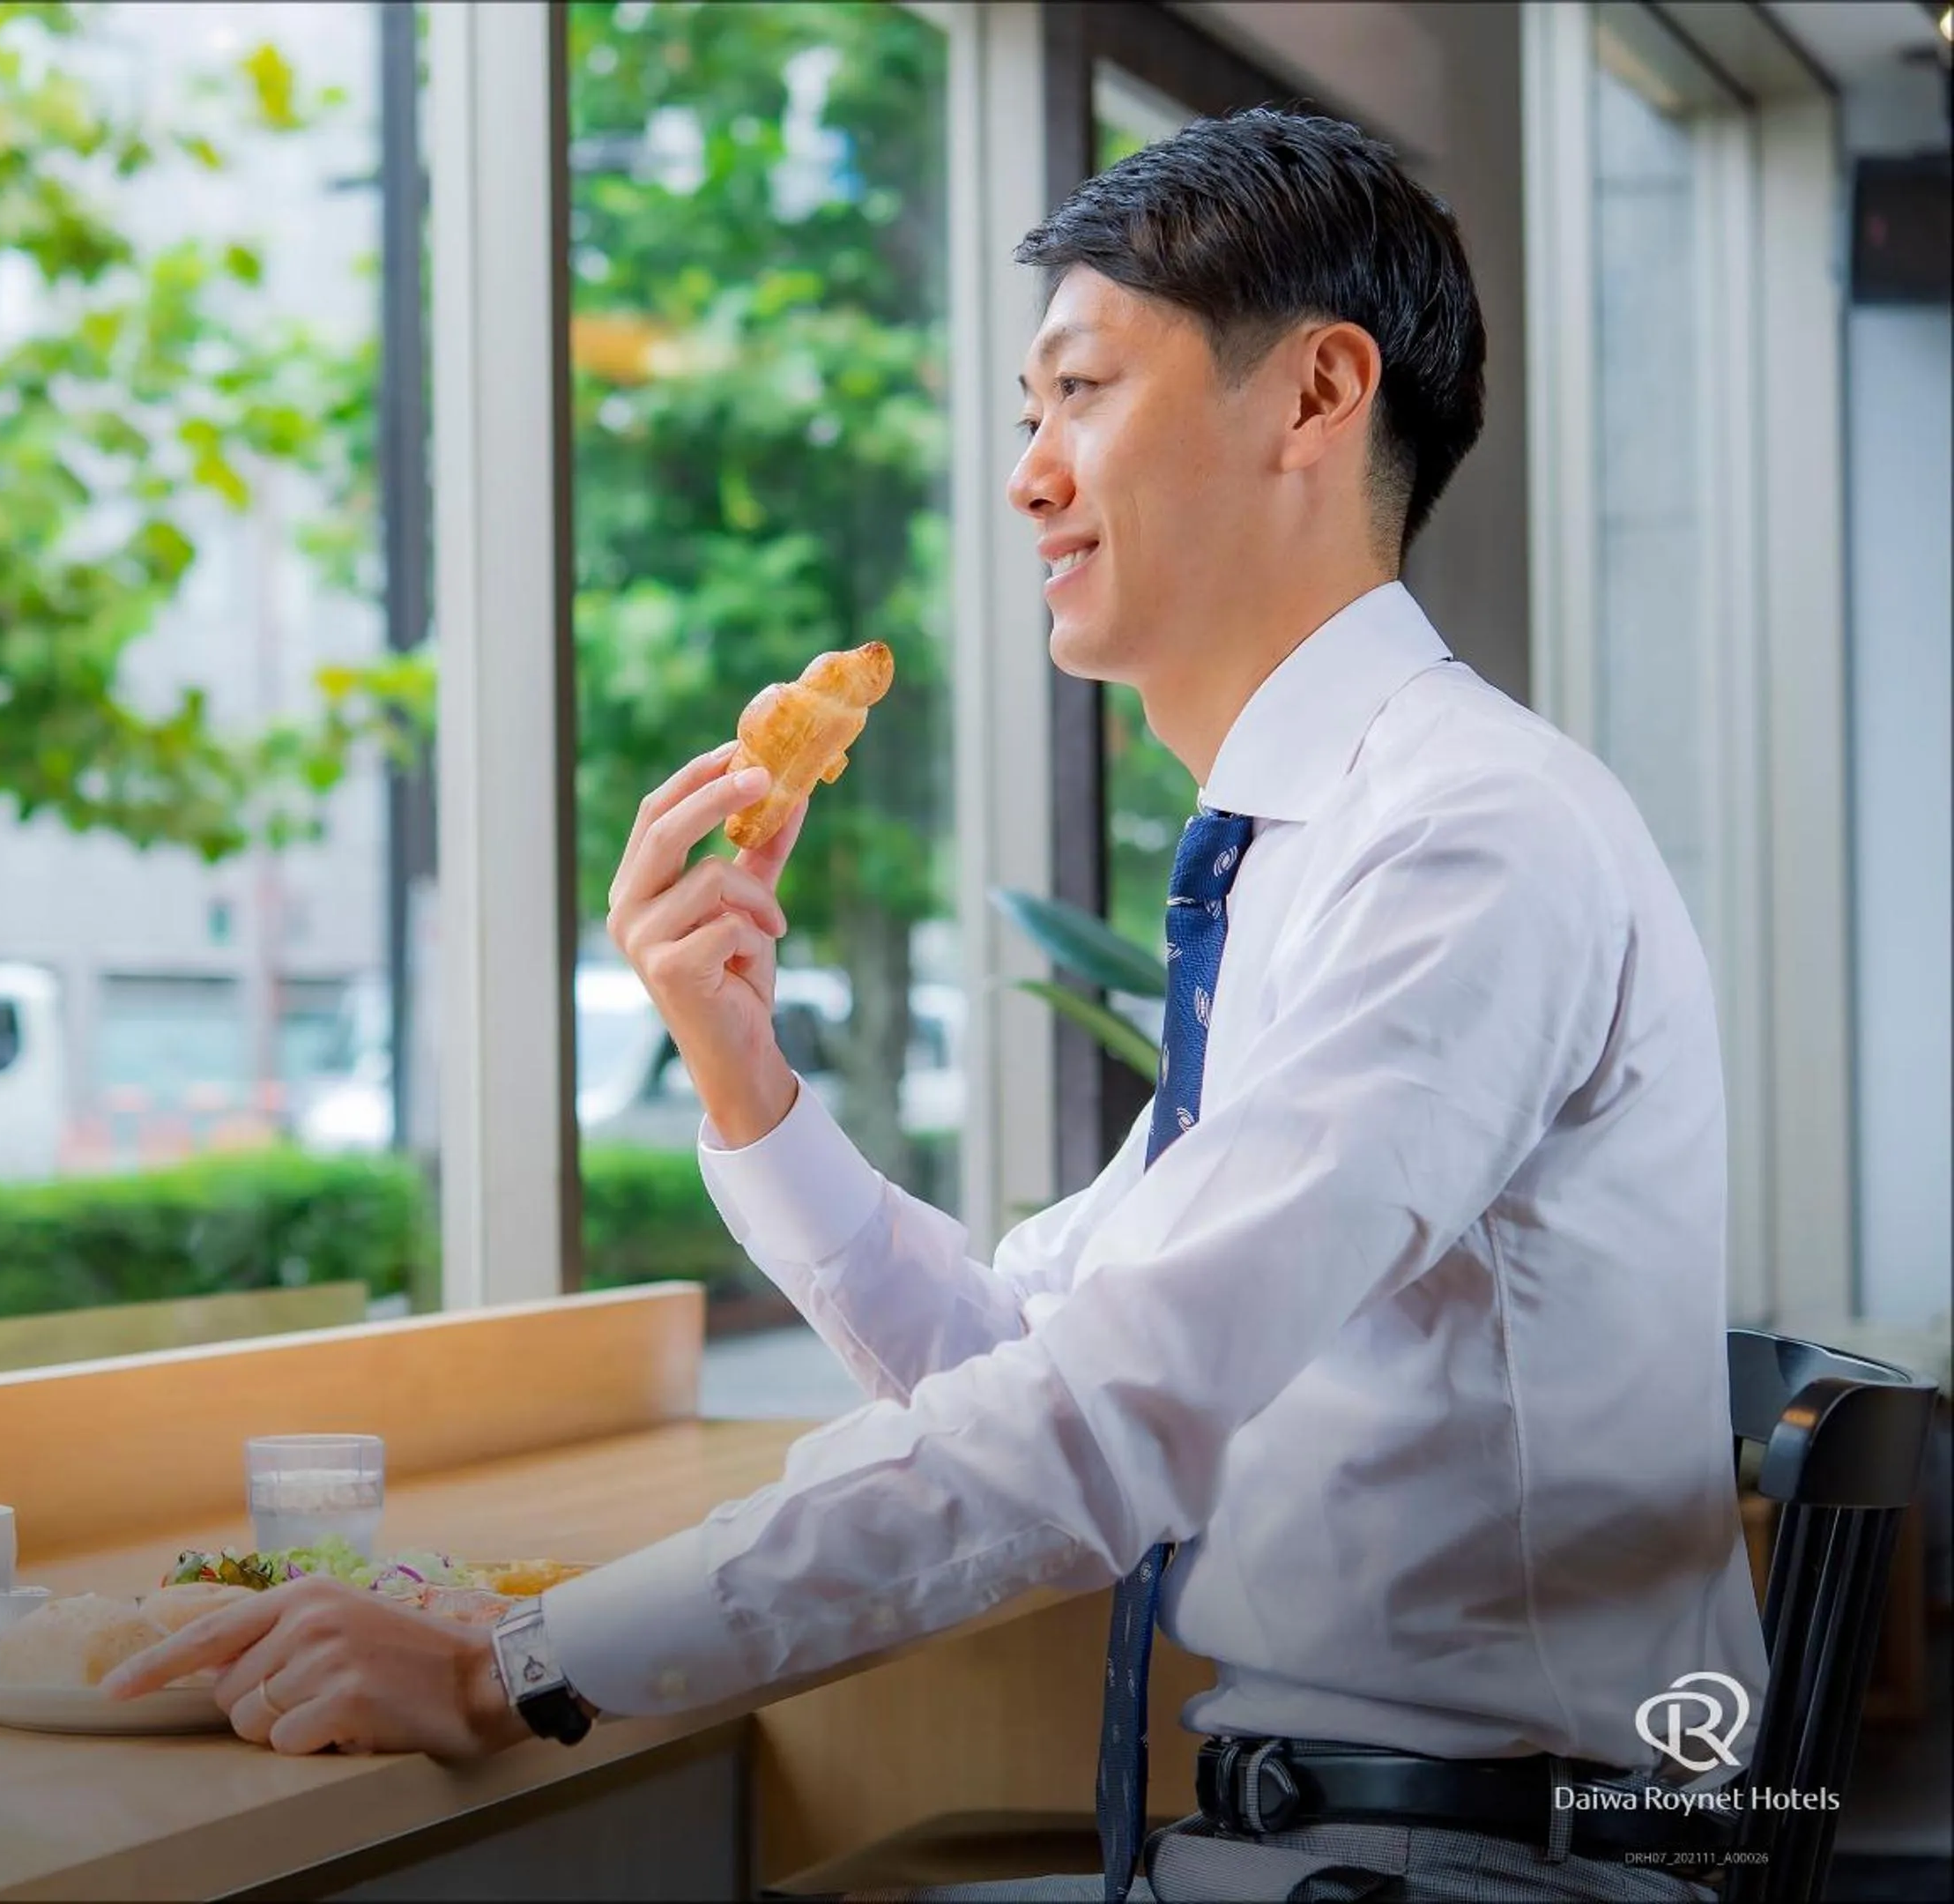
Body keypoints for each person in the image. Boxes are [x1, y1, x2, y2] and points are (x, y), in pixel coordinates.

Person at [109, 108, 1766, 1903]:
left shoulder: (1466, 841)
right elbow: (1027, 1357)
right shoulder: (1318, 850)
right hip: (1312, 1844)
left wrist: (512, 1670)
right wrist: (743, 1077)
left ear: (1315, 396)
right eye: (1026, 415)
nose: (1029, 478)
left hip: (1464, 1874)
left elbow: (1112, 1412)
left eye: (1082, 394)